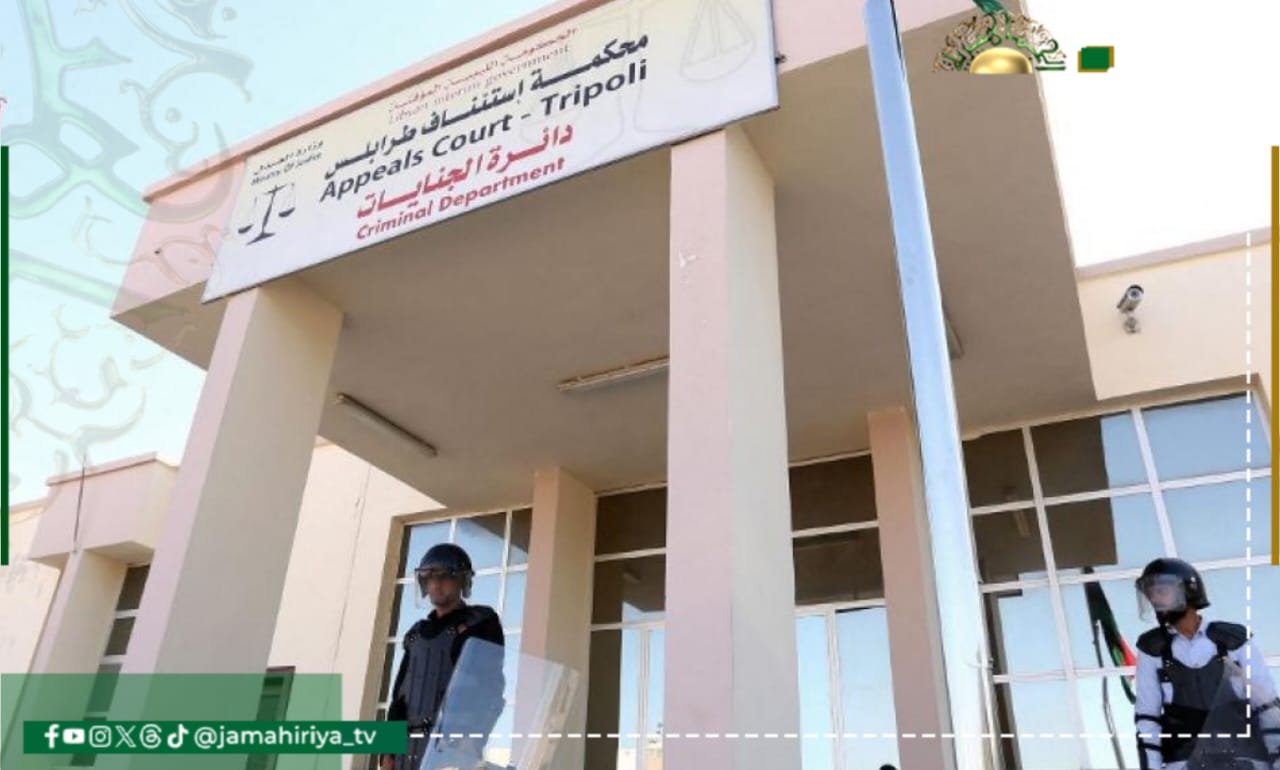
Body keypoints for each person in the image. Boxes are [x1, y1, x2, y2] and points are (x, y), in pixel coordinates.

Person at [1133, 557, 1280, 769]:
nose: (1155, 599)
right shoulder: (1152, 649)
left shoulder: (1235, 640)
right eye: (1151, 593)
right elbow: (1148, 719)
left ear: (1189, 590)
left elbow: (1267, 707)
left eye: (1161, 591)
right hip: (1183, 763)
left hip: (1245, 761)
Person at [381, 543, 505, 770]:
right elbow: (399, 700)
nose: (435, 584)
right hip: (406, 755)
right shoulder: (416, 635)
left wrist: (471, 741)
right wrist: (387, 753)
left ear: (462, 581)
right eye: (429, 577)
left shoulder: (480, 624)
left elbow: (490, 690)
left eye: (444, 576)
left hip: (451, 752)